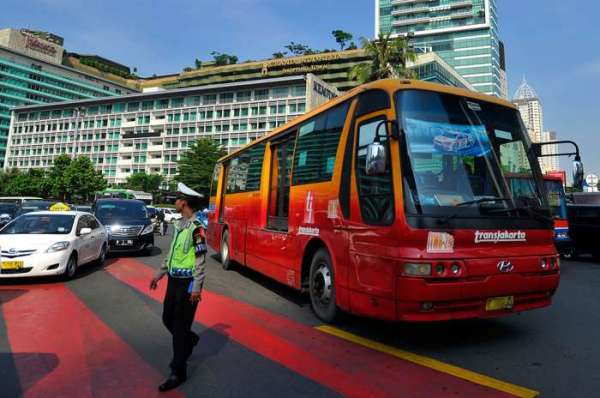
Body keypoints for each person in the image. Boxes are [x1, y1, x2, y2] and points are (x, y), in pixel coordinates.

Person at [149, 183, 207, 392]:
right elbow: (172, 255)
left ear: (184, 203)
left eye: (176, 199)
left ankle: (177, 371)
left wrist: (197, 288)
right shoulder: (179, 225)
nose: (174, 202)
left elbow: (200, 261)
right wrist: (159, 275)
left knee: (180, 329)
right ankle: (190, 340)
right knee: (167, 318)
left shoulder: (197, 228)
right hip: (174, 281)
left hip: (188, 283)